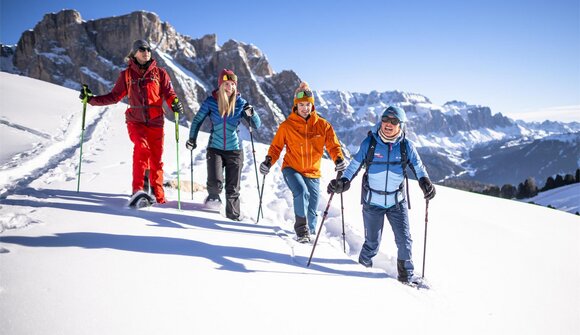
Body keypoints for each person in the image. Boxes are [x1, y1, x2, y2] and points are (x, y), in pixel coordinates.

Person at [327, 105, 436, 284]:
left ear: (401, 125)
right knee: (372, 243)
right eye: (385, 119)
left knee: (404, 241)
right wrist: (343, 182)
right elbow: (354, 165)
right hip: (372, 202)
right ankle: (361, 270)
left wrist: (425, 182)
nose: (388, 124)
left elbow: (418, 166)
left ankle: (406, 278)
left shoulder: (406, 146)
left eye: (394, 121)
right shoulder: (369, 143)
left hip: (397, 202)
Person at [79, 39, 184, 204]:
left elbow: (169, 93)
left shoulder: (160, 73)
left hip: (156, 122)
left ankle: (159, 197)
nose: (146, 52)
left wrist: (175, 103)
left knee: (156, 159)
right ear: (134, 53)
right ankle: (138, 192)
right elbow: (114, 97)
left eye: (148, 49)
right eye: (142, 49)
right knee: (142, 149)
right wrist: (91, 100)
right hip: (136, 122)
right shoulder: (126, 75)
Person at [259, 82, 346, 243]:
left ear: (312, 106)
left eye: (308, 104)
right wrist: (268, 161)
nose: (305, 108)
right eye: (301, 105)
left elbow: (333, 146)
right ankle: (301, 230)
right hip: (292, 168)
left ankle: (309, 234)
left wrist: (338, 158)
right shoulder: (287, 126)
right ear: (296, 106)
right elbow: (276, 147)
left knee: (312, 211)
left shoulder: (323, 126)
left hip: (313, 172)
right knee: (301, 192)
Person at [186, 68, 261, 221]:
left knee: (233, 189)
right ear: (220, 85)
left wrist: (252, 113)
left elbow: (256, 125)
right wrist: (192, 139)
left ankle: (233, 219)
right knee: (215, 184)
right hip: (215, 148)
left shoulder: (241, 103)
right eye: (226, 84)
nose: (230, 87)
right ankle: (212, 202)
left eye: (232, 84)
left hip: (235, 150)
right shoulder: (211, 102)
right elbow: (197, 120)